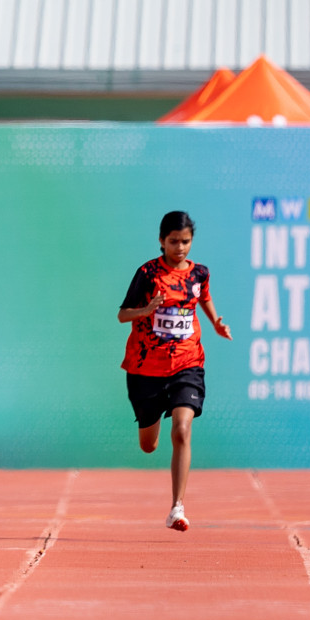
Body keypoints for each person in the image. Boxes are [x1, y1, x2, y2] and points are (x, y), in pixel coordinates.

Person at [117, 211, 231, 532]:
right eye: (173, 242)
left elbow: (203, 298)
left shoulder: (200, 274)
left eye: (185, 242)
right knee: (149, 445)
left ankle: (176, 507)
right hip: (146, 369)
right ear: (161, 241)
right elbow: (122, 315)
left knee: (182, 430)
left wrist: (216, 322)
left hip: (187, 363)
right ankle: (149, 425)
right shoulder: (147, 273)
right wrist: (146, 310)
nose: (179, 248)